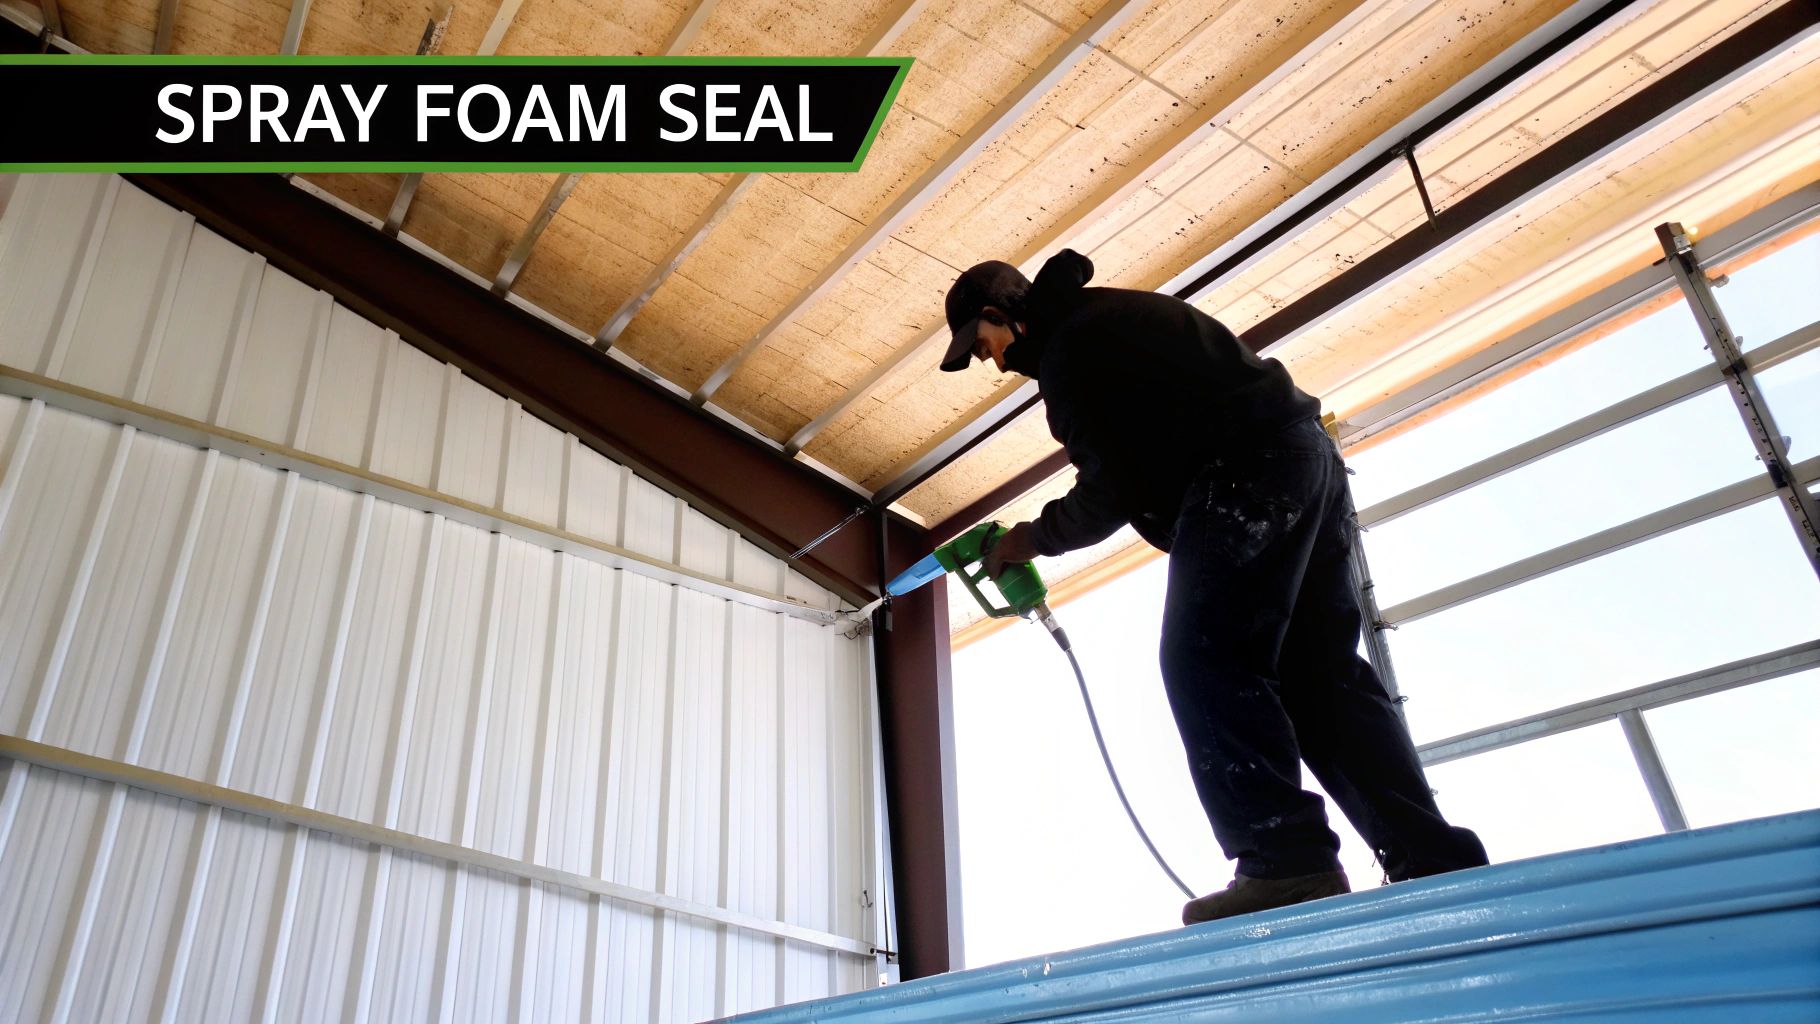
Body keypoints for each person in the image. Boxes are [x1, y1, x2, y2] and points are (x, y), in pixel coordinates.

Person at [942, 249, 1488, 925]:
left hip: (1247, 472)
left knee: (1204, 655)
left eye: (983, 344)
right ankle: (1430, 855)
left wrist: (1030, 538)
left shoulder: (1074, 348)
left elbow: (1112, 486)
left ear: (1003, 316)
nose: (990, 362)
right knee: (1319, 678)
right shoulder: (1103, 320)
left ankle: (1285, 859)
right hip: (1301, 458)